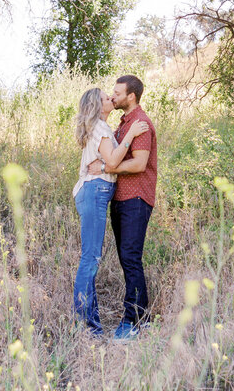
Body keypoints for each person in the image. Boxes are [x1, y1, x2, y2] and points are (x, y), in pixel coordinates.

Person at [71, 87, 149, 336]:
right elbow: (114, 162)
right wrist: (131, 135)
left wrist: (105, 163)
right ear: (98, 105)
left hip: (95, 191)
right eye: (106, 98)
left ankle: (88, 322)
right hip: (94, 190)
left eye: (112, 95)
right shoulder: (101, 128)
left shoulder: (102, 127)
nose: (111, 99)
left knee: (92, 257)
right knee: (90, 258)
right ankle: (86, 325)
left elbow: (108, 163)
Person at [97, 74, 157, 341]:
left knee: (131, 258)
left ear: (131, 96)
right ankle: (141, 318)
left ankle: (131, 321)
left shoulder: (140, 123)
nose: (113, 96)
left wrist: (110, 167)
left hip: (136, 199)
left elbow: (139, 164)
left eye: (117, 93)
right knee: (126, 259)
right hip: (121, 199)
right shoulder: (123, 124)